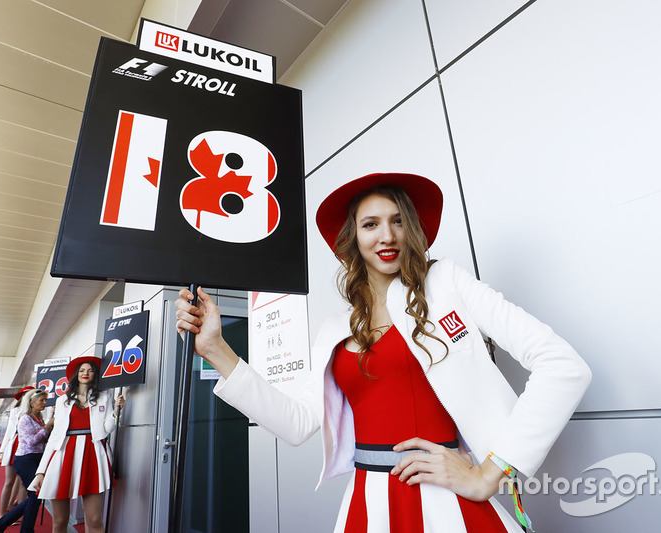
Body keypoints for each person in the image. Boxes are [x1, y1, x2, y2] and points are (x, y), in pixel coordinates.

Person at [175, 172, 592, 532]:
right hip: (366, 503)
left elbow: (563, 366)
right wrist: (215, 349)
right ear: (352, 238)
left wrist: (490, 473)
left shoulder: (446, 284)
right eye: (370, 224)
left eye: (397, 221)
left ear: (412, 229)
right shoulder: (335, 329)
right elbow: (297, 422)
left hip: (444, 503)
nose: (387, 235)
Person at [31, 356, 125, 533]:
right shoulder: (62, 400)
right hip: (63, 455)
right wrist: (41, 471)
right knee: (60, 521)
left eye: (89, 370)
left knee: (95, 520)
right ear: (76, 374)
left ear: (95, 375)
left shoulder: (105, 397)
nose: (85, 373)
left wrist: (117, 412)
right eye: (82, 370)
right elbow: (55, 436)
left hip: (93, 454)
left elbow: (106, 430)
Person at [0, 389, 54, 533]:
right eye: (41, 400)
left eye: (45, 400)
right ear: (31, 403)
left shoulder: (39, 418)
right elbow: (31, 441)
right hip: (25, 459)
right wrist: (48, 426)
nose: (44, 403)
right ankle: (18, 528)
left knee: (35, 496)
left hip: (36, 458)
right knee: (35, 495)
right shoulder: (25, 418)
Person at [0, 386, 34, 517]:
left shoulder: (36, 411)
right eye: (26, 394)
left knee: (23, 483)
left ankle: (16, 513)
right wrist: (2, 451)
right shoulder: (15, 411)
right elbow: (9, 431)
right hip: (15, 445)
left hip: (29, 447)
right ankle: (2, 514)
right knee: (9, 481)